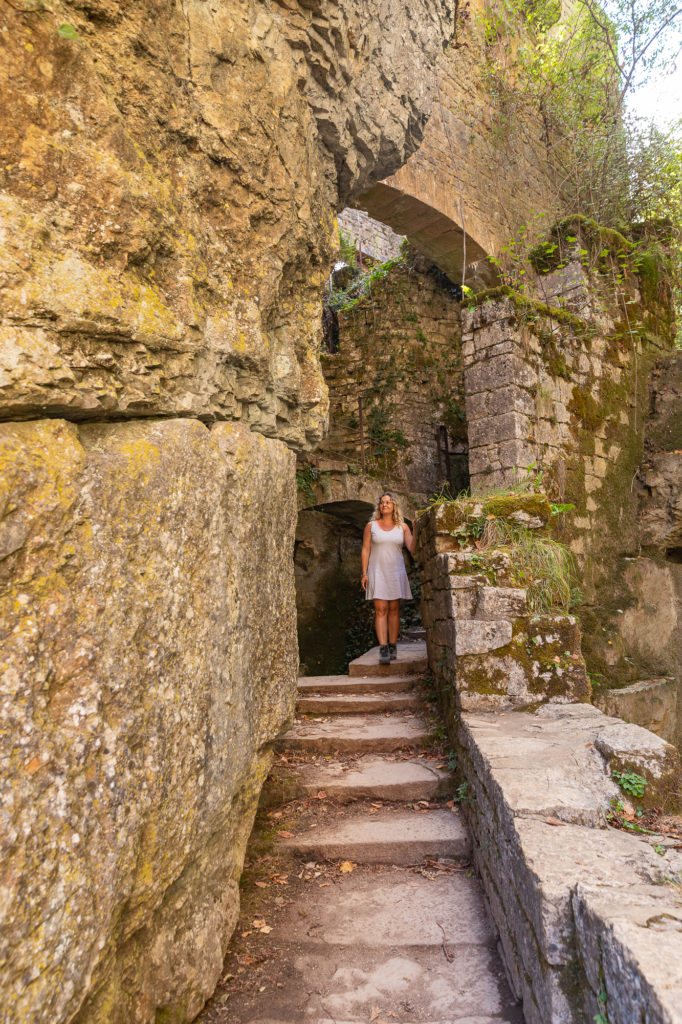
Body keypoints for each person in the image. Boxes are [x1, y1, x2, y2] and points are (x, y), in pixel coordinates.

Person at [361, 492, 416, 665]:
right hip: (377, 571)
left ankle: (393, 645)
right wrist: (364, 573)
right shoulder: (371, 526)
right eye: (382, 502)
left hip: (395, 571)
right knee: (381, 609)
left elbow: (412, 548)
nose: (384, 505)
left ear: (394, 506)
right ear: (379, 506)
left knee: (393, 609)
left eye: (388, 502)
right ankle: (383, 648)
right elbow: (365, 550)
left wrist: (417, 530)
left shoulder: (403, 527)